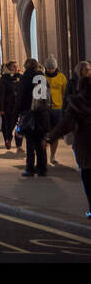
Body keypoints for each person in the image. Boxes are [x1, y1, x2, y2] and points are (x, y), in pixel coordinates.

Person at [46, 64, 91, 218]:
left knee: (87, 176)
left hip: (84, 145)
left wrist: (49, 137)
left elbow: (66, 125)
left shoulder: (77, 103)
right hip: (84, 144)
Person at [16, 57, 51, 177]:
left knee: (30, 143)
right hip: (41, 114)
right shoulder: (41, 77)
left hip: (28, 113)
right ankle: (42, 168)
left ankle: (30, 168)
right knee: (40, 142)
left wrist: (20, 112)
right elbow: (44, 96)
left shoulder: (25, 78)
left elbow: (20, 97)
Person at [45, 57, 68, 166]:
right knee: (44, 132)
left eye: (52, 68)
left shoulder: (61, 77)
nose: (51, 70)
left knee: (55, 134)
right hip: (45, 108)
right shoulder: (42, 77)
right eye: (49, 68)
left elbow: (65, 93)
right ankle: (43, 155)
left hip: (58, 108)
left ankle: (52, 155)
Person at [0, 60, 21, 152]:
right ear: (9, 68)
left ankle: (18, 145)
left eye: (16, 66)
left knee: (19, 125)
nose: (16, 68)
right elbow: (1, 94)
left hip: (18, 105)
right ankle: (8, 139)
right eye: (14, 67)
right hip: (8, 106)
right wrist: (0, 108)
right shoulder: (4, 78)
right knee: (8, 124)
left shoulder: (20, 77)